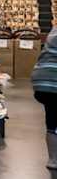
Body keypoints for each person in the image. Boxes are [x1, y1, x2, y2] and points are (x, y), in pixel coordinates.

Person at [30, 26, 57, 170]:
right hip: (53, 81)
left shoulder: (55, 30)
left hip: (42, 80)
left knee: (52, 121)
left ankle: (53, 159)